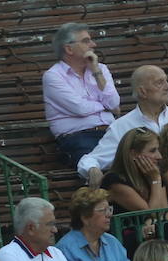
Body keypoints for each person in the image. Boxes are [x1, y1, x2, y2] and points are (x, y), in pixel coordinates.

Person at [77, 65, 168, 186]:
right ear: (142, 91)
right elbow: (91, 160)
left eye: (166, 81)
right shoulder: (121, 126)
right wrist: (92, 169)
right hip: (148, 190)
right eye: (159, 83)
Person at [41, 23, 119, 166]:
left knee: (141, 159)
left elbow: (114, 104)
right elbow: (80, 108)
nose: (93, 45)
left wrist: (95, 71)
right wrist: (104, 106)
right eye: (86, 41)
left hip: (110, 132)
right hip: (79, 137)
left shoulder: (101, 69)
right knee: (105, 167)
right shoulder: (53, 76)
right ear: (69, 49)